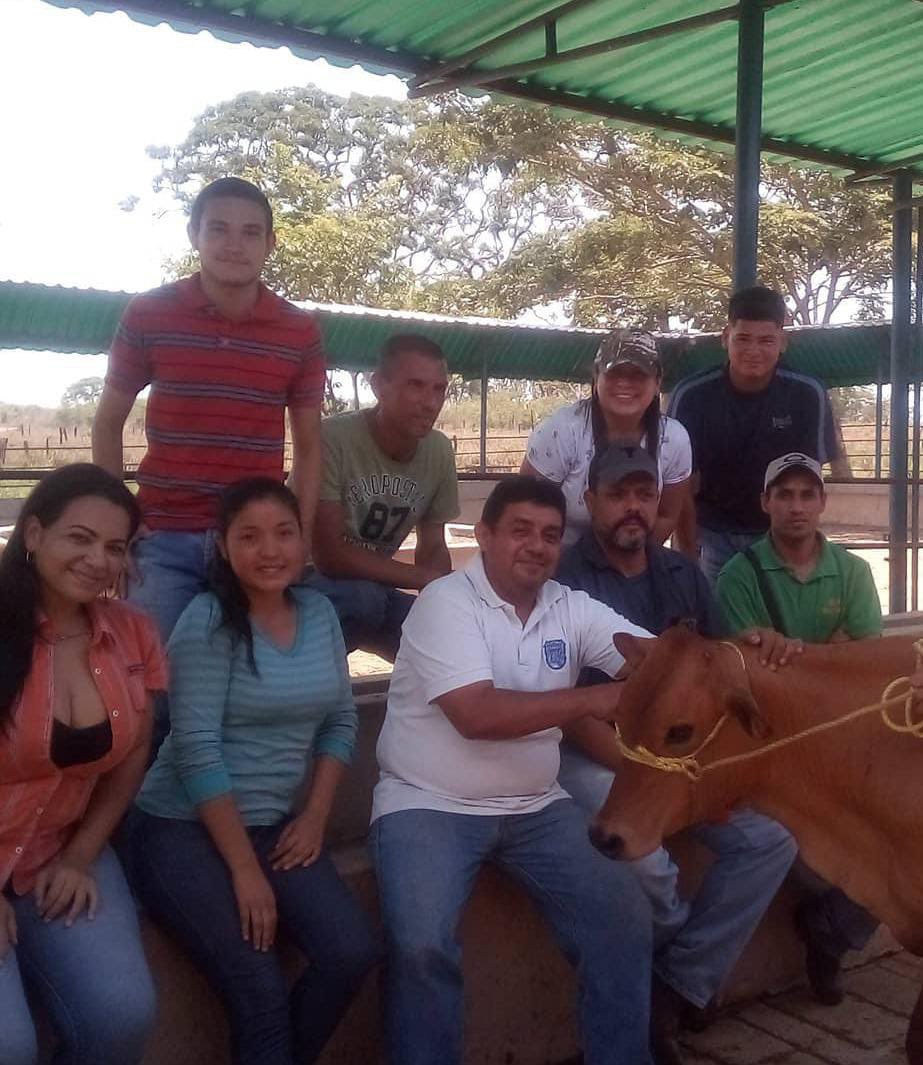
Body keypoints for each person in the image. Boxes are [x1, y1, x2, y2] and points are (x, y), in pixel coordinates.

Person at [371, 475, 657, 1065]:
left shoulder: (568, 605)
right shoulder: (444, 601)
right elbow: (475, 714)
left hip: (535, 805)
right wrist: (588, 700)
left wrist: (728, 655)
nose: (537, 546)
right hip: (428, 803)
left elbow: (652, 660)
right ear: (483, 535)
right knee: (422, 947)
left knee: (623, 918)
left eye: (550, 535)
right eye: (520, 530)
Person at [555, 444, 797, 1065]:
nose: (632, 508)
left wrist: (756, 645)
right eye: (617, 495)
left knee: (772, 840)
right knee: (642, 862)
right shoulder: (564, 576)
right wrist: (652, 777)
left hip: (679, 759)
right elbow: (573, 708)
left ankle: (676, 983)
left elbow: (720, 669)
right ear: (590, 502)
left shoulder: (684, 574)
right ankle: (649, 977)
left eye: (644, 495)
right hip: (591, 754)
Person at [129, 478, 379, 1065]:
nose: (270, 550)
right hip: (178, 827)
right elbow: (195, 749)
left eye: (284, 533)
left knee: (351, 952)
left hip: (272, 824)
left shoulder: (318, 612)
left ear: (303, 541)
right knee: (259, 989)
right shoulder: (207, 620)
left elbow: (341, 722)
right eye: (250, 536)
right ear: (221, 546)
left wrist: (315, 818)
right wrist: (245, 870)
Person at [92, 177, 326, 646]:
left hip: (252, 540)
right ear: (194, 235)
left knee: (251, 682)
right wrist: (117, 528)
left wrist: (295, 537)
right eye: (218, 229)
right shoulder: (148, 314)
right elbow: (108, 422)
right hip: (161, 539)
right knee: (148, 681)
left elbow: (309, 448)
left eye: (250, 232)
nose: (234, 244)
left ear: (270, 243)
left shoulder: (299, 332)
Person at [0, 464, 162, 1065]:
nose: (98, 559)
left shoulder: (133, 634)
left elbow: (134, 751)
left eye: (114, 547)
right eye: (80, 537)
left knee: (122, 1016)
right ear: (35, 534)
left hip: (57, 849)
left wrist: (80, 855)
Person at [717, 451, 882, 1005]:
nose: (795, 506)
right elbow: (753, 678)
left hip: (843, 739)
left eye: (807, 494)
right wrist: (825, 654)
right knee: (800, 843)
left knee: (897, 832)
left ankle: (830, 934)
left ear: (822, 503)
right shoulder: (738, 574)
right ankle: (827, 931)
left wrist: (795, 657)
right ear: (765, 503)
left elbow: (860, 664)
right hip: (772, 746)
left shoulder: (854, 571)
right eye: (783, 495)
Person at [669, 286, 849, 585]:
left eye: (766, 340)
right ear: (726, 337)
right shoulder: (691, 395)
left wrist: (802, 552)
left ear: (783, 341)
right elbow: (680, 486)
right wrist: (687, 561)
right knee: (719, 628)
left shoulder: (808, 394)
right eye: (743, 339)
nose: (754, 351)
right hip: (712, 537)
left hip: (779, 540)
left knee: (783, 628)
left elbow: (808, 482)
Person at [310, 334, 459, 659]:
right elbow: (328, 555)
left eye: (439, 389)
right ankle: (309, 691)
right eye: (416, 386)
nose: (430, 402)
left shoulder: (439, 450)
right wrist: (426, 578)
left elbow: (433, 545)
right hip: (307, 584)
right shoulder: (332, 437)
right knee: (364, 600)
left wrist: (440, 600)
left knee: (446, 643)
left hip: (375, 588)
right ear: (379, 386)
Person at [522, 329, 692, 547]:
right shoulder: (561, 431)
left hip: (634, 559)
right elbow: (525, 510)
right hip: (559, 560)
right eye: (614, 373)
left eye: (638, 375)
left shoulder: (674, 439)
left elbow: (666, 516)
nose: (625, 383)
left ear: (658, 382)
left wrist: (627, 568)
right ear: (596, 376)